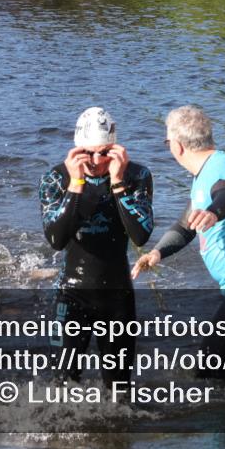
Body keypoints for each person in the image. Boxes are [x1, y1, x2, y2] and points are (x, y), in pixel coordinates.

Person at [132, 105, 225, 379]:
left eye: (167, 141)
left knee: (208, 369)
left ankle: (216, 421)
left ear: (176, 146)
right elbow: (184, 226)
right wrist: (156, 253)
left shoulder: (219, 169)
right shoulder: (208, 169)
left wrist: (214, 212)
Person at [39, 107, 154, 386]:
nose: (95, 160)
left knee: (120, 387)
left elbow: (140, 235)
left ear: (115, 149)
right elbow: (56, 239)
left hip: (117, 296)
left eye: (103, 152)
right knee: (63, 383)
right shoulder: (56, 178)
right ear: (76, 150)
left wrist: (117, 182)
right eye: (87, 153)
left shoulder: (136, 176)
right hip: (70, 293)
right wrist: (76, 184)